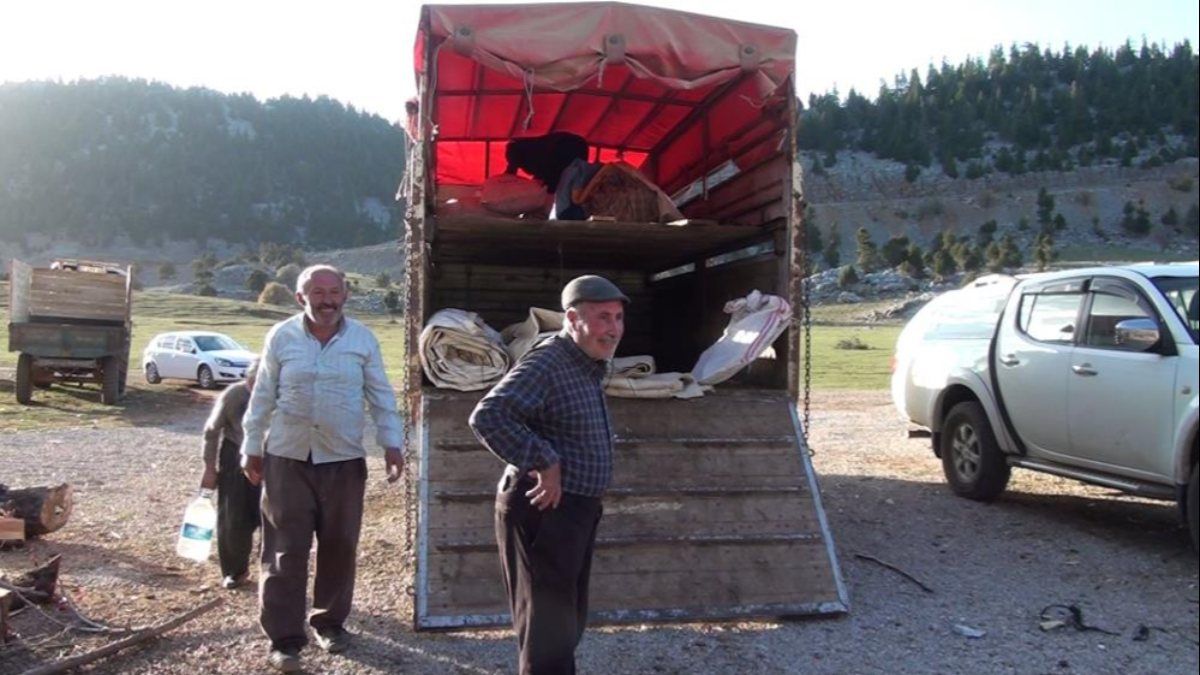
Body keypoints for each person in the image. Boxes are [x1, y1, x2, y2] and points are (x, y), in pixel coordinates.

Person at [240, 264, 405, 673]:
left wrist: (392, 443)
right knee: (284, 549)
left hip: (343, 459)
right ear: (301, 298)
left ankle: (330, 623)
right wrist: (251, 446)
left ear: (345, 295)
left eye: (334, 292)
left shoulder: (363, 339)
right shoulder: (281, 336)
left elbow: (381, 394)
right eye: (317, 292)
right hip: (287, 457)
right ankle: (284, 640)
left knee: (340, 545)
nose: (327, 300)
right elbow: (262, 395)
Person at [469, 274, 628, 675]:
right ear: (572, 319)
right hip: (545, 511)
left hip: (572, 511)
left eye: (618, 318)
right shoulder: (548, 362)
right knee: (548, 631)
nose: (613, 329)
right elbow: (489, 416)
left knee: (563, 622)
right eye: (603, 317)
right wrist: (544, 460)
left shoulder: (586, 364)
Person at [199, 358, 261, 590]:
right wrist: (209, 468)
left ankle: (272, 571)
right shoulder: (234, 395)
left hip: (271, 458)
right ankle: (236, 570)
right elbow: (211, 431)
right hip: (235, 455)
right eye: (254, 383)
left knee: (273, 517)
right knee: (233, 517)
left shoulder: (281, 394)